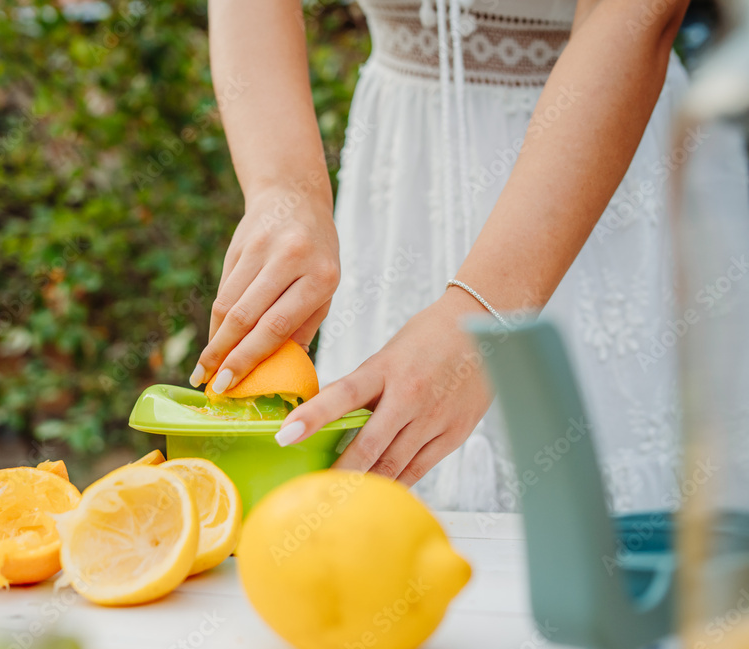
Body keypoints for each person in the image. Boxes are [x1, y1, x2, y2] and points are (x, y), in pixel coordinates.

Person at [190, 0, 749, 511]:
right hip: (403, 170)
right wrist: (285, 189)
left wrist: (486, 308)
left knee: (605, 539)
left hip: (595, 161)